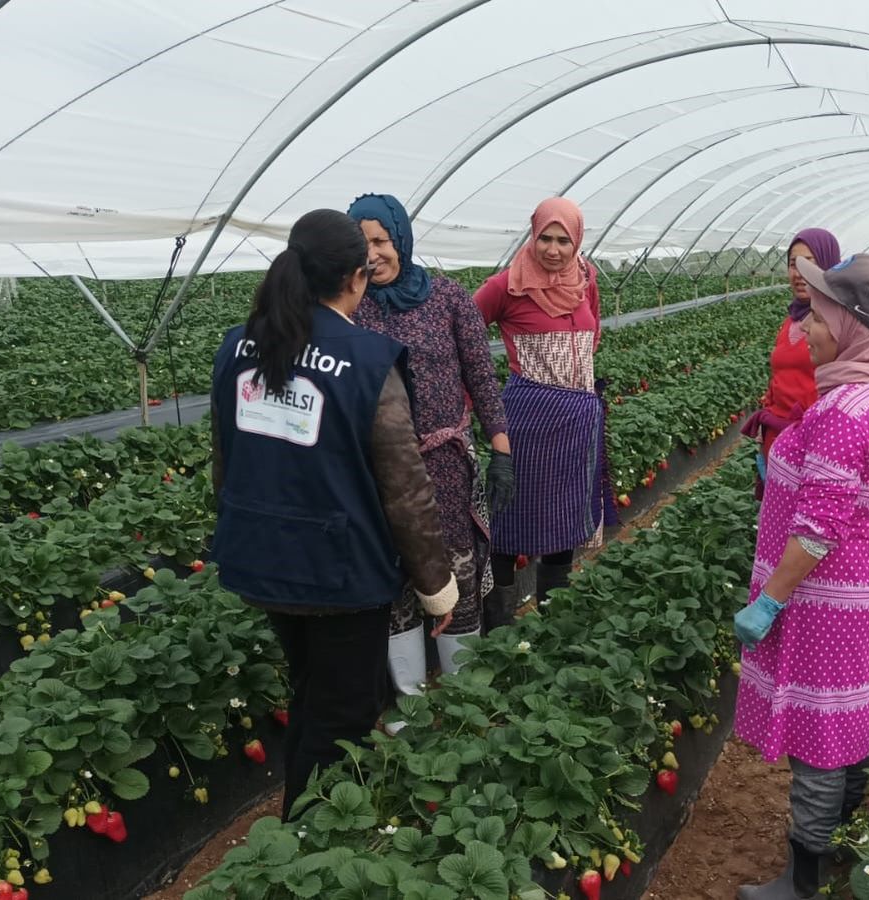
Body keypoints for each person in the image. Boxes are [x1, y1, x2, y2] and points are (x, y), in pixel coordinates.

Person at [209, 208, 458, 819]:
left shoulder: (240, 345)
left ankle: (300, 825)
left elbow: (226, 457)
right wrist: (437, 587)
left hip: (266, 560)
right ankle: (307, 840)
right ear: (357, 277)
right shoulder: (366, 360)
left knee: (314, 694)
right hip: (338, 571)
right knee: (344, 715)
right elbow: (405, 489)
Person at [731, 254, 869, 900]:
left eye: (818, 317)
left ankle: (802, 879)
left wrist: (770, 602)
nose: (806, 329)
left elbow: (816, 530)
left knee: (817, 735)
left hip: (828, 601)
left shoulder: (845, 412)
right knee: (851, 717)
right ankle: (840, 840)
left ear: (851, 325)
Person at [347, 194, 512, 706]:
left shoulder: (446, 297)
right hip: (382, 471)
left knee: (454, 569)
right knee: (396, 578)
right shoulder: (349, 305)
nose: (372, 253)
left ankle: (466, 696)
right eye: (361, 243)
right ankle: (408, 705)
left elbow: (481, 378)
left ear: (401, 239)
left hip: (445, 465)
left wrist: (501, 449)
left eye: (380, 241)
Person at [473, 197, 614, 630]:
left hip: (575, 426)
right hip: (526, 423)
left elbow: (593, 337)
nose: (553, 250)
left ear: (577, 242)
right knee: (507, 524)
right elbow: (465, 332)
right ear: (532, 236)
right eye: (545, 238)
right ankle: (499, 627)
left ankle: (554, 627)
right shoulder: (507, 285)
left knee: (563, 526)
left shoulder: (586, 279)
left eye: (563, 240)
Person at [740, 228, 842, 495]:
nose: (799, 273)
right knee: (777, 524)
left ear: (830, 266)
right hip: (777, 440)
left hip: (817, 446)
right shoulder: (790, 321)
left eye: (810, 262)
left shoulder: (840, 322)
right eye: (793, 264)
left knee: (808, 527)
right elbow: (780, 377)